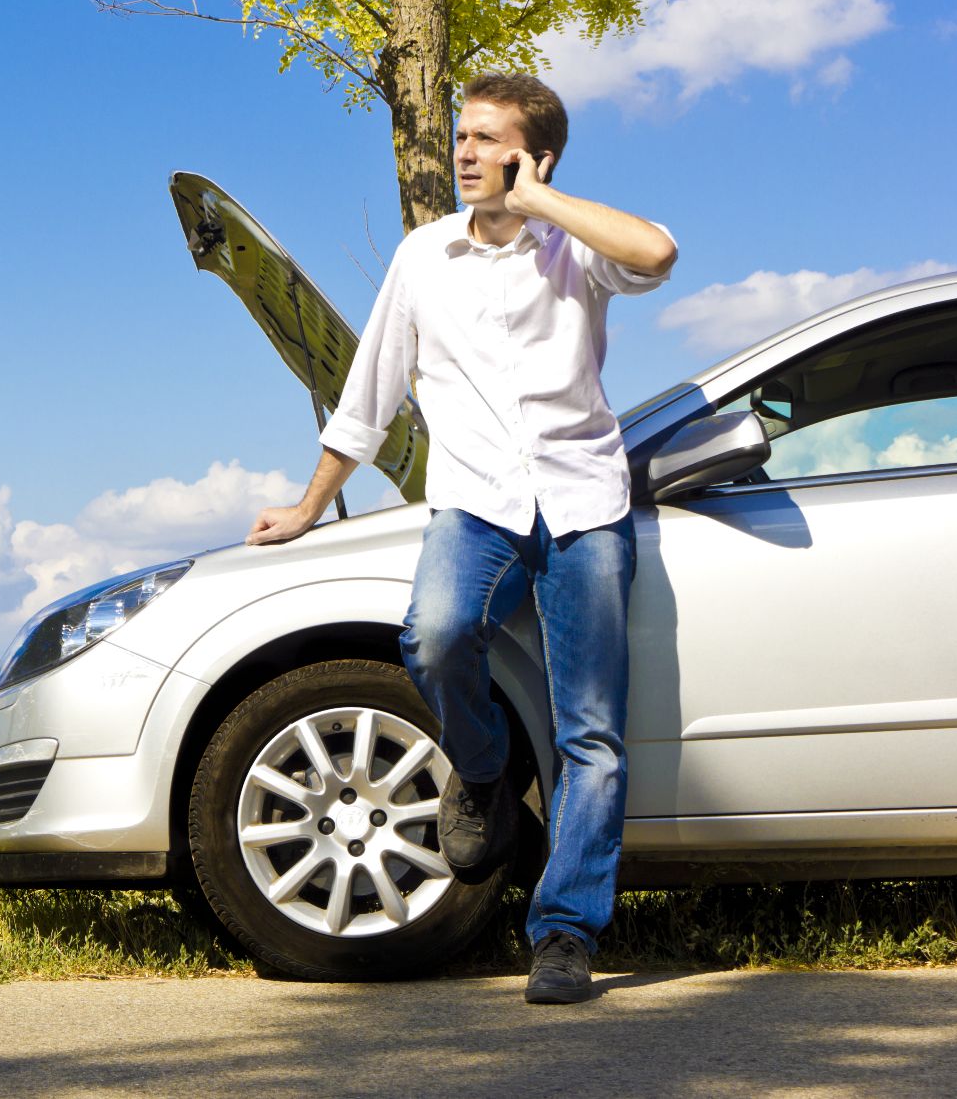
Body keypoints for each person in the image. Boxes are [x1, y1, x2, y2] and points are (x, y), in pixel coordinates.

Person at [245, 72, 676, 1005]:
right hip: (477, 503)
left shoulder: (575, 249)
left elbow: (658, 252)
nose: (467, 153)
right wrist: (310, 505)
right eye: (464, 137)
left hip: (582, 505)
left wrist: (542, 201)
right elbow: (367, 396)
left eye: (488, 140)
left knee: (591, 732)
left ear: (534, 154)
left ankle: (565, 934)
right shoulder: (423, 257)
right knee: (436, 636)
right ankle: (481, 772)